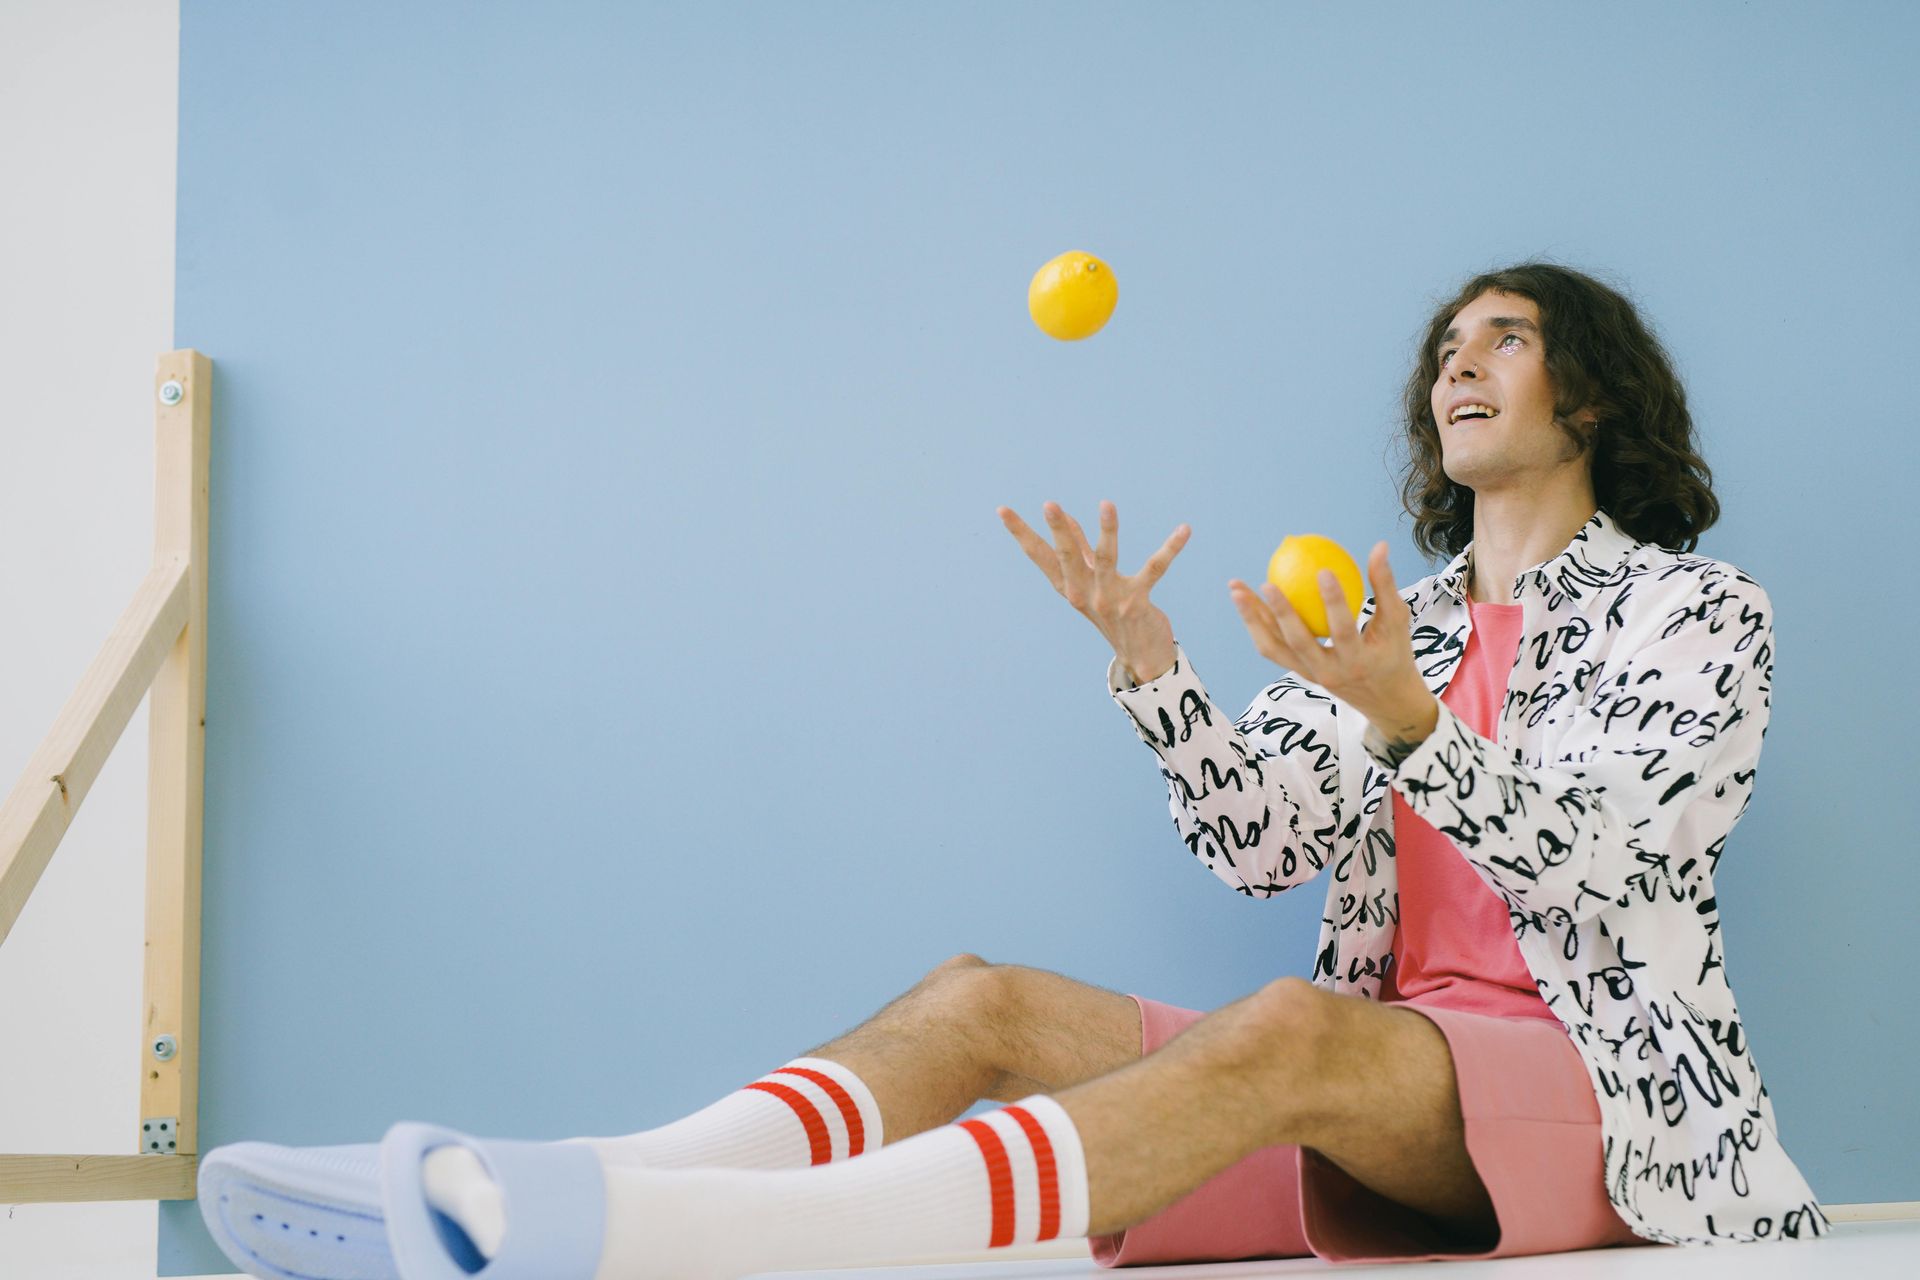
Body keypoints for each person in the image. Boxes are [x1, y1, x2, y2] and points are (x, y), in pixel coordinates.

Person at [200, 262, 1830, 1280]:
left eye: (1510, 336)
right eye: (1446, 347)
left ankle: (680, 1246)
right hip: (1384, 1082)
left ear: (1593, 387)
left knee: (1286, 1028)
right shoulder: (1387, 625)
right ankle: (564, 1184)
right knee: (975, 998)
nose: (1459, 364)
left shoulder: (1697, 611)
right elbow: (1260, 849)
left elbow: (1619, 859)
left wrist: (1416, 727)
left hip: (1597, 1092)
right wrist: (1151, 667)